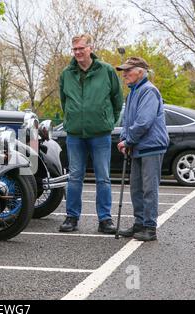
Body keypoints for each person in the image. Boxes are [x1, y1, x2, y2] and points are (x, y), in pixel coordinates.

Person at [59, 34, 124, 233]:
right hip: (75, 134)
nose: (78, 52)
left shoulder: (106, 71)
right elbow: (64, 101)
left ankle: (105, 220)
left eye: (81, 48)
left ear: (90, 48)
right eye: (75, 49)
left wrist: (109, 122)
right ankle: (72, 217)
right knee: (74, 176)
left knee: (103, 177)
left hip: (100, 134)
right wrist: (71, 119)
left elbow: (117, 99)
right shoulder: (66, 74)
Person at [116, 57, 169, 241]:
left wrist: (128, 140)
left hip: (151, 147)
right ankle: (139, 223)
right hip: (138, 147)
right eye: (123, 71)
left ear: (140, 71)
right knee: (136, 188)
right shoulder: (132, 93)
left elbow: (144, 122)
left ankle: (150, 227)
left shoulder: (149, 91)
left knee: (149, 189)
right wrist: (124, 138)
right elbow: (128, 121)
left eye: (128, 70)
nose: (124, 74)